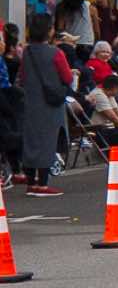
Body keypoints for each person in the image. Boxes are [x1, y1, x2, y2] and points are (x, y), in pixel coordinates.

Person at [16, 14, 70, 196]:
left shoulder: (27, 52)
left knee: (31, 140)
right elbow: (67, 77)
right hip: (50, 103)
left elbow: (22, 76)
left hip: (30, 102)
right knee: (48, 141)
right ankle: (43, 184)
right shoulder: (56, 53)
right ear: (49, 31)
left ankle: (31, 182)